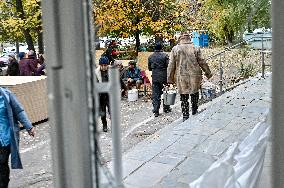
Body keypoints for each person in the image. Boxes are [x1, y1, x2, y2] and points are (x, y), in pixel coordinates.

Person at [167, 32, 213, 122]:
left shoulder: (175, 49)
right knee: (194, 93)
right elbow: (202, 61)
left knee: (183, 96)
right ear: (189, 39)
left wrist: (170, 78)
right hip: (195, 75)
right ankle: (195, 111)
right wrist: (208, 73)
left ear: (180, 39)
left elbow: (171, 65)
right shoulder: (195, 48)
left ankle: (185, 115)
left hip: (181, 76)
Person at [0, 87, 35, 188]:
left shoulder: (6, 95)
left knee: (1, 162)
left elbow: (19, 111)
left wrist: (29, 127)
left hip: (5, 138)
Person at [148, 42, 171, 117]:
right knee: (166, 93)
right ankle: (166, 108)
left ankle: (156, 110)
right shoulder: (165, 55)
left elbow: (149, 68)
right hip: (164, 77)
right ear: (162, 48)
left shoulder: (150, 57)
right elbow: (169, 66)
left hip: (155, 77)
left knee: (155, 95)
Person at [95, 56, 110, 132]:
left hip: (110, 95)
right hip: (101, 96)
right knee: (103, 112)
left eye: (105, 65)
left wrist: (125, 88)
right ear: (100, 65)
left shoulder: (111, 71)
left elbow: (118, 79)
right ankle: (104, 125)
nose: (104, 67)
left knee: (112, 111)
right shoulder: (96, 73)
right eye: (102, 65)